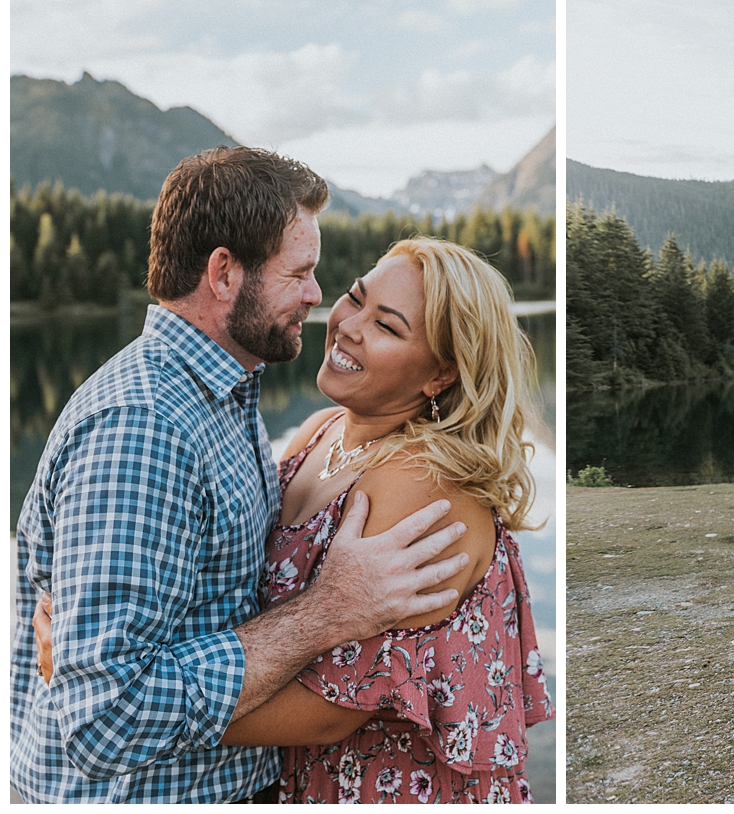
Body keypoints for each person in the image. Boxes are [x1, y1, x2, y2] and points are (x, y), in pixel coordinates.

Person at [12, 146, 469, 803]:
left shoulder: (223, 396)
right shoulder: (146, 426)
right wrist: (330, 610)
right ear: (224, 273)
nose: (319, 295)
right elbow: (103, 720)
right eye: (300, 272)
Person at [218, 238, 552, 802]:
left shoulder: (423, 488)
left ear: (440, 376)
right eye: (355, 298)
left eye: (388, 327)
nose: (348, 325)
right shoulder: (319, 431)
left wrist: (134, 707)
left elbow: (329, 712)